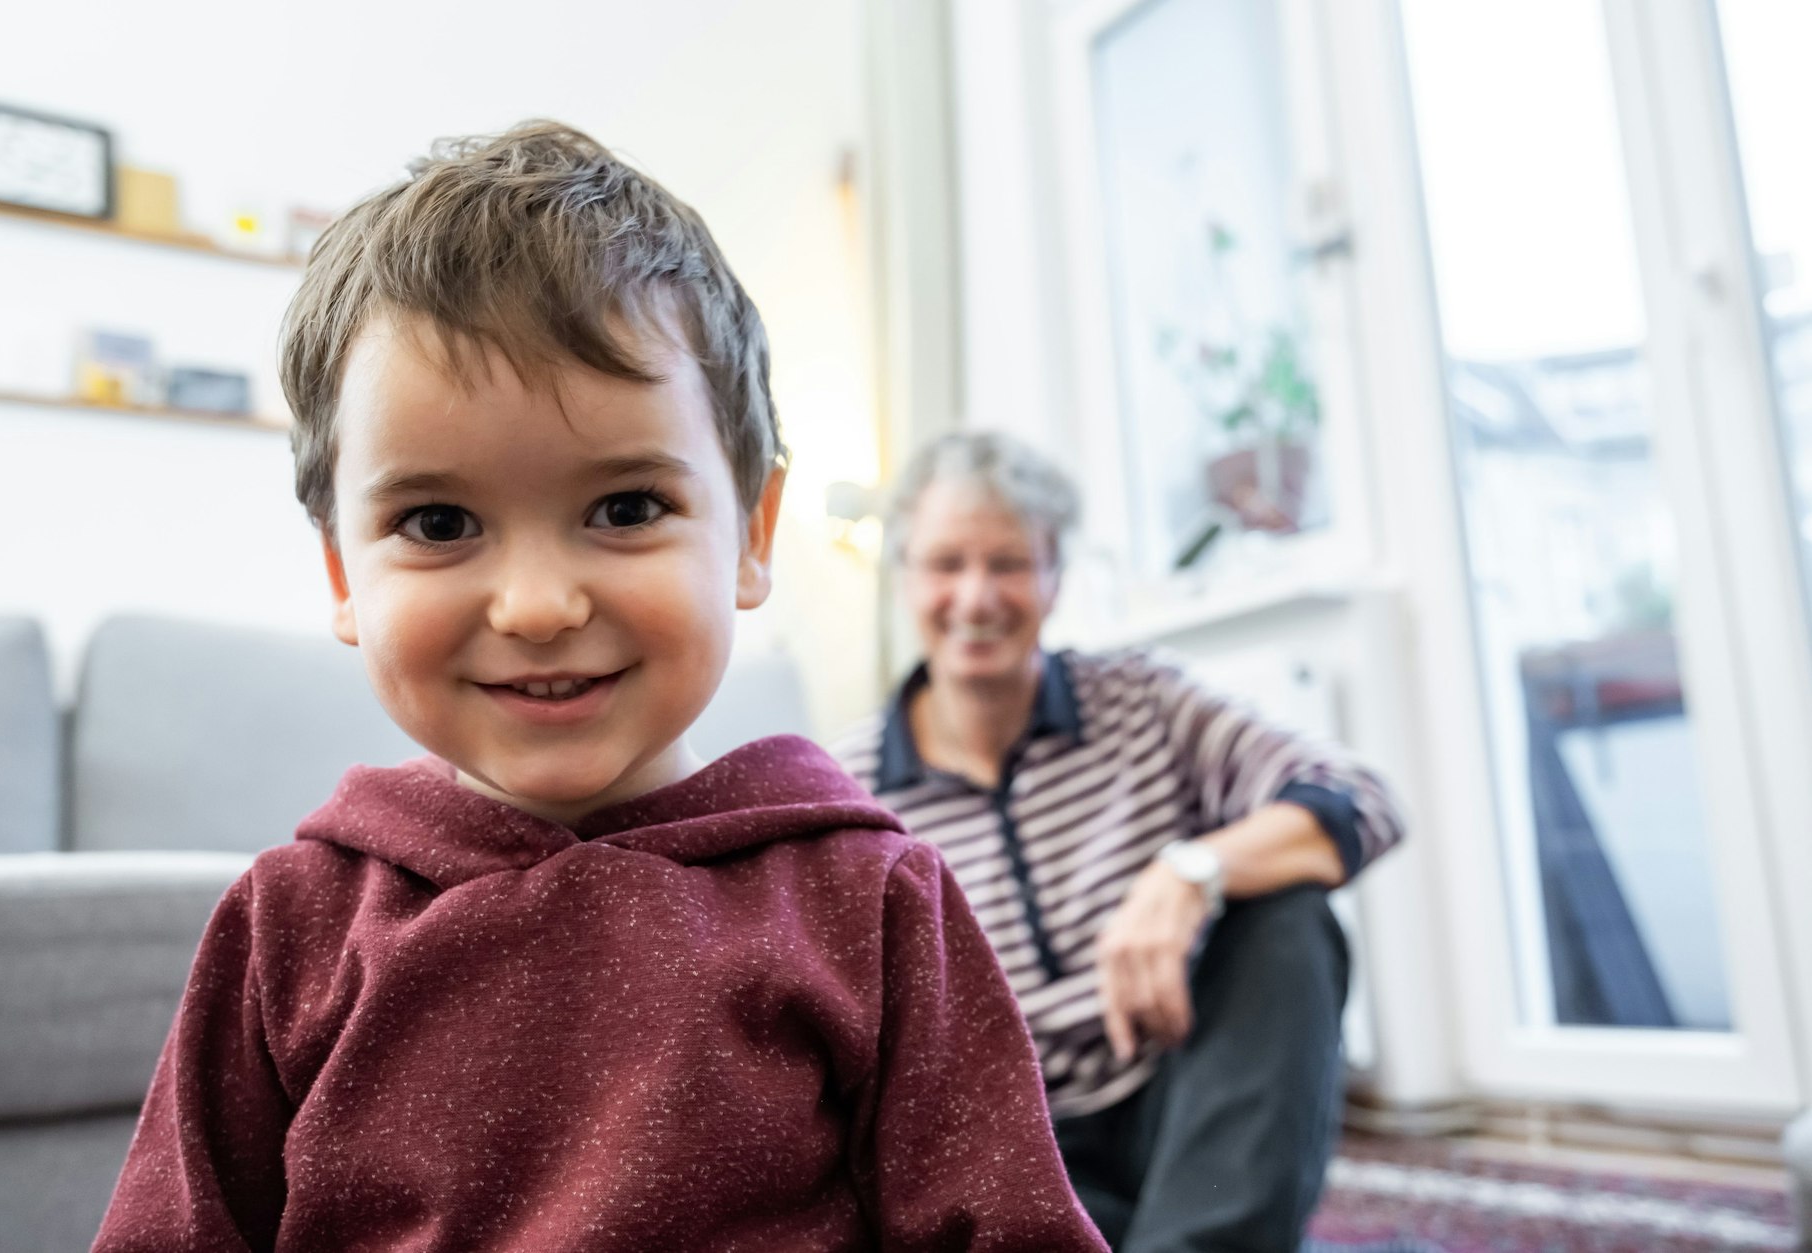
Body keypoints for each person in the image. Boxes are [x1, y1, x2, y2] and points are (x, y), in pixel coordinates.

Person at [93, 125, 1106, 1253]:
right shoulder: (289, 924)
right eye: (437, 523)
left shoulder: (867, 900)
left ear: (750, 535)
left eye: (624, 508)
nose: (535, 604)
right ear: (343, 571)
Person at [832, 432, 1408, 1252]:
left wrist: (1189, 870)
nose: (976, 594)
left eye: (1009, 562)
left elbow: (1363, 798)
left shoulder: (1142, 701)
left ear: (1055, 575)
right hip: (1018, 1156)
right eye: (945, 563)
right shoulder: (849, 789)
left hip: (1192, 1114)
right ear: (902, 578)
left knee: (1287, 917)